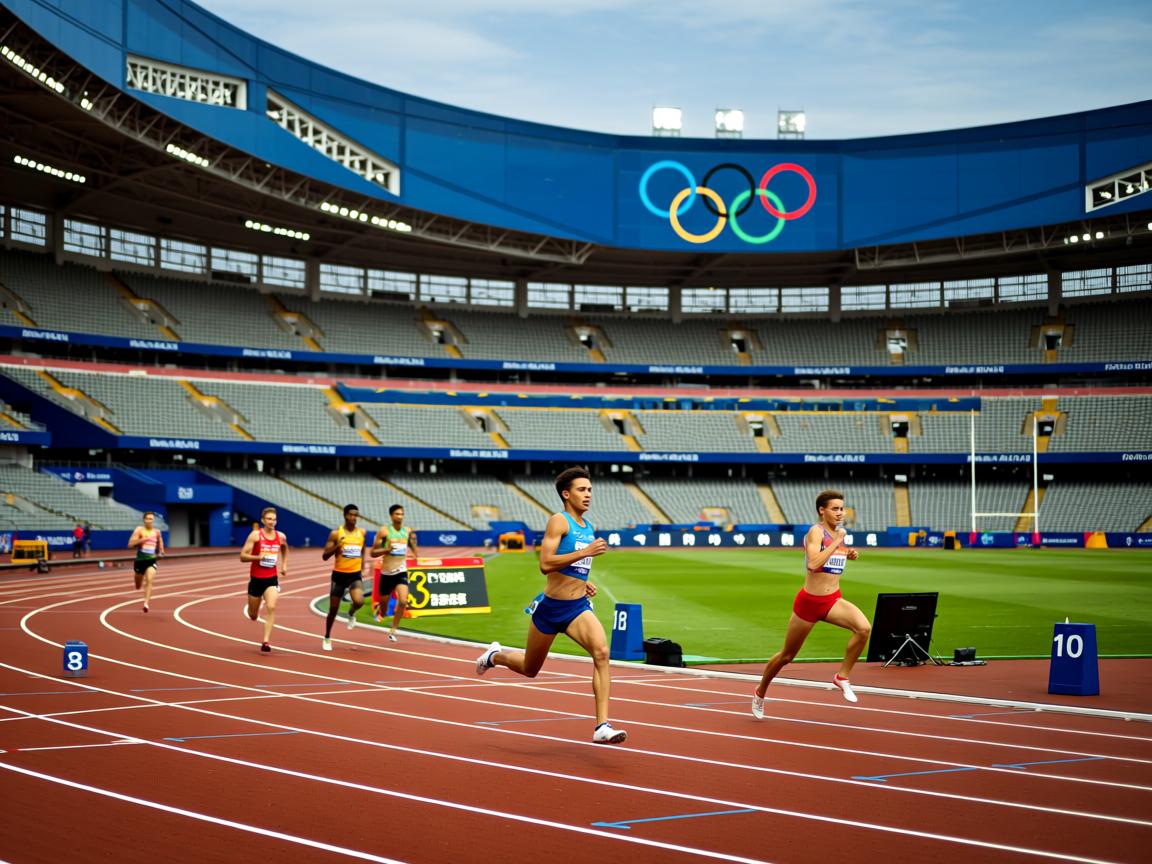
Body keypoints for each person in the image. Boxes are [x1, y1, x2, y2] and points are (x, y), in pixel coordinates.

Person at [475, 466, 627, 745]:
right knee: (530, 669)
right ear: (566, 494)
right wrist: (585, 551)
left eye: (590, 489)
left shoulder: (588, 526)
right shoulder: (559, 521)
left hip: (577, 607)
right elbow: (545, 564)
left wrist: (585, 582)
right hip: (550, 609)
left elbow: (575, 566)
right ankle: (495, 655)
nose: (588, 494)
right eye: (582, 490)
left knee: (602, 652)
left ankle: (601, 726)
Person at [752, 489, 870, 718]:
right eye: (835, 509)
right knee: (787, 656)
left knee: (864, 629)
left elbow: (832, 562)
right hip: (809, 603)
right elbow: (813, 564)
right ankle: (760, 692)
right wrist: (838, 542)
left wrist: (848, 553)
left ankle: (842, 676)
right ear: (822, 510)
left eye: (841, 509)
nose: (840, 513)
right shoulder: (816, 533)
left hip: (832, 600)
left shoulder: (838, 536)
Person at [239, 506, 287, 653]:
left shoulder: (281, 536)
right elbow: (242, 556)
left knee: (271, 607)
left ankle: (266, 641)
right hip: (256, 580)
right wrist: (258, 557)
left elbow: (285, 548)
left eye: (274, 519)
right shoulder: (255, 535)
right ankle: (256, 606)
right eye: (269, 519)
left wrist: (284, 564)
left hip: (271, 579)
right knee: (253, 616)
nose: (272, 522)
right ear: (262, 520)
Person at [321, 504, 367, 651]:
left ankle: (351, 613)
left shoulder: (362, 533)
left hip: (354, 575)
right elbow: (325, 556)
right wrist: (337, 547)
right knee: (333, 609)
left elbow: (363, 549)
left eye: (355, 515)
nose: (353, 518)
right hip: (339, 576)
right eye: (351, 515)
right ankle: (327, 636)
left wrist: (363, 564)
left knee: (359, 601)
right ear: (345, 515)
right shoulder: (336, 533)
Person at [370, 504, 418, 642]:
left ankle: (393, 630)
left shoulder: (407, 531)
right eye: (397, 514)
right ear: (391, 516)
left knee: (403, 601)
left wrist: (415, 553)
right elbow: (373, 553)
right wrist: (386, 550)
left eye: (402, 514)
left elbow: (411, 543)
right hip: (386, 574)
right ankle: (380, 610)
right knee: (384, 608)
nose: (400, 516)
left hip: (401, 572)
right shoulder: (384, 532)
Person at [127, 512, 164, 613]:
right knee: (138, 585)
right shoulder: (139, 530)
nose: (149, 520)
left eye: (151, 519)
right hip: (140, 560)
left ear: (153, 520)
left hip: (151, 560)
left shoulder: (157, 532)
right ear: (144, 520)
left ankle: (146, 604)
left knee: (149, 580)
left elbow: (160, 541)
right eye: (147, 518)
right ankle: (137, 580)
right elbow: (130, 544)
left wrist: (161, 551)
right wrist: (142, 540)